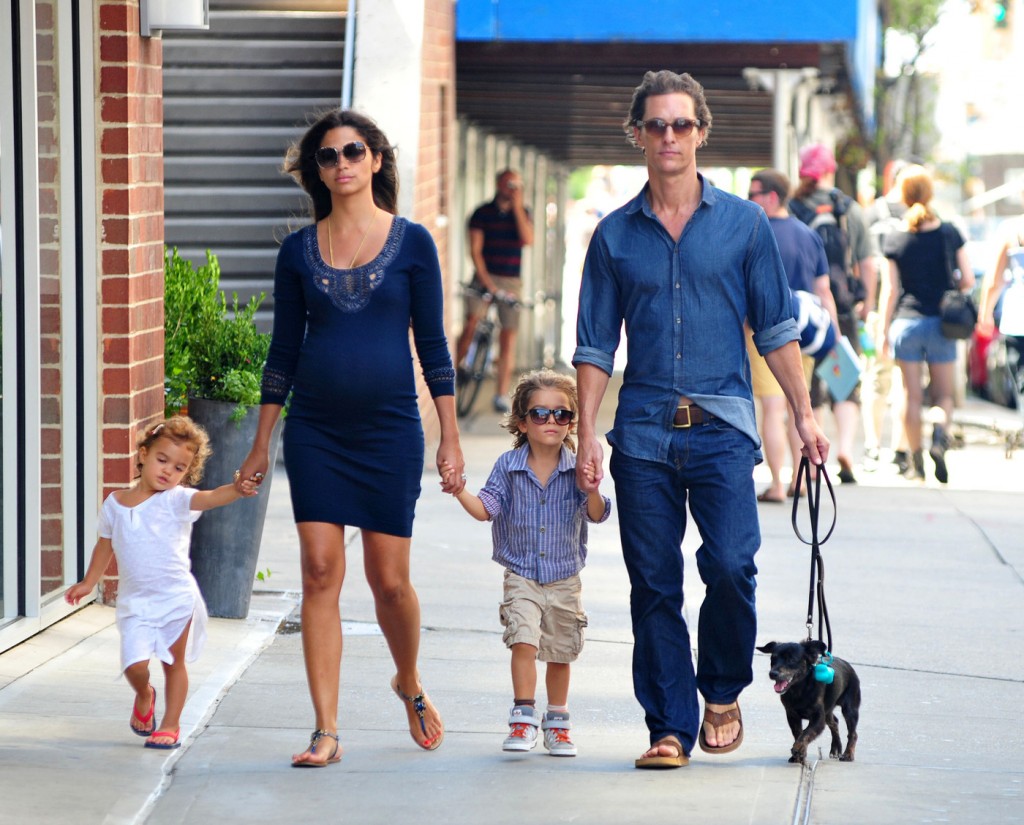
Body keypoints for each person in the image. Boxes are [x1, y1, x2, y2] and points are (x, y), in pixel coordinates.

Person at [573, 70, 829, 769]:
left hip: (722, 427)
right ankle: (668, 725)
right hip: (644, 433)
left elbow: (776, 327)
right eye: (655, 125)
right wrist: (585, 431)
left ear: (701, 133)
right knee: (654, 582)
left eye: (681, 124)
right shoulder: (614, 236)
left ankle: (720, 688)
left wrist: (804, 416)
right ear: (636, 135)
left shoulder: (744, 225)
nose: (668, 136)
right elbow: (595, 343)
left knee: (731, 565)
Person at [237, 109, 466, 767]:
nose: (341, 164)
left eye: (353, 151)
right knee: (318, 570)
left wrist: (449, 437)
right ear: (317, 170)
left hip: (391, 431)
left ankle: (409, 679)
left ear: (375, 161)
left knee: (389, 581)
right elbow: (282, 351)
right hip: (316, 431)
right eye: (328, 156)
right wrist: (261, 442)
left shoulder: (414, 243)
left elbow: (433, 345)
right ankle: (326, 728)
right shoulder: (296, 252)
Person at [65, 417, 259, 750]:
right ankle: (144, 694)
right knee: (134, 664)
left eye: (180, 468)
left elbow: (211, 497)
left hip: (175, 597)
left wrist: (237, 490)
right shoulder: (114, 504)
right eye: (162, 460)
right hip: (135, 602)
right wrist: (88, 582)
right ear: (142, 454)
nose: (169, 471)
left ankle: (170, 724)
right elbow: (104, 545)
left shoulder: (177, 500)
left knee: (173, 662)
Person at [444, 369, 610, 757]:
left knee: (559, 652)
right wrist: (459, 490)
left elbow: (597, 514)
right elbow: (486, 510)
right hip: (521, 575)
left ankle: (557, 723)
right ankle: (523, 717)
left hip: (565, 579)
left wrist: (594, 488)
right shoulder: (508, 465)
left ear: (571, 423)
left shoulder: (576, 466)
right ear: (522, 421)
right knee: (523, 639)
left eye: (562, 415)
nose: (551, 421)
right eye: (540, 413)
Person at [747, 169, 837, 502]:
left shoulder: (756, 233)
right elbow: (823, 290)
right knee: (800, 406)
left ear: (771, 197)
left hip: (764, 331)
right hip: (806, 330)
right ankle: (800, 479)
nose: (748, 200)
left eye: (753, 194)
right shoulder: (807, 234)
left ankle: (777, 484)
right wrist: (835, 337)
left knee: (772, 409)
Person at [881, 165, 974, 483]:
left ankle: (917, 462)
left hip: (906, 323)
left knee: (910, 396)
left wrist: (883, 331)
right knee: (943, 396)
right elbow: (968, 279)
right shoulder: (949, 232)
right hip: (941, 324)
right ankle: (938, 436)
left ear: (903, 195)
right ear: (930, 192)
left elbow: (890, 290)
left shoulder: (894, 237)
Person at [790, 143, 876, 484]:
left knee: (808, 387)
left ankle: (812, 457)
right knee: (844, 381)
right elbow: (867, 261)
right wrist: (866, 301)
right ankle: (844, 449)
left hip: (799, 309)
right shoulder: (848, 208)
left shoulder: (792, 207)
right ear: (830, 170)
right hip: (839, 307)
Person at [455, 169, 535, 413]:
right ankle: (457, 368)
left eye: (516, 183)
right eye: (508, 183)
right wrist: (486, 281)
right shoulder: (482, 213)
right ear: (498, 183)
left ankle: (501, 394)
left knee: (508, 336)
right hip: (484, 275)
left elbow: (528, 239)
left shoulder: (523, 213)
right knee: (472, 321)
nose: (512, 187)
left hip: (511, 279)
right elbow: (475, 251)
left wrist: (518, 206)